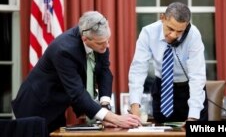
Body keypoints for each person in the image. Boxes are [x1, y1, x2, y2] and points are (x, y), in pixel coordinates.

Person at [12, 11, 141, 133]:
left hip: (58, 106)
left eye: (108, 40)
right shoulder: (64, 50)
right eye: (102, 42)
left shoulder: (100, 41)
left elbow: (104, 72)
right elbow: (77, 93)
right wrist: (114, 118)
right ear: (85, 39)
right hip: (35, 106)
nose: (107, 46)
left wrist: (105, 107)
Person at [128, 2, 208, 123]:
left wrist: (193, 116)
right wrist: (135, 107)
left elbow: (197, 76)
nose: (174, 35)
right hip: (163, 89)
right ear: (162, 18)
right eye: (170, 28)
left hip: (188, 90)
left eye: (179, 31)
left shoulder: (193, 35)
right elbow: (138, 70)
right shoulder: (148, 33)